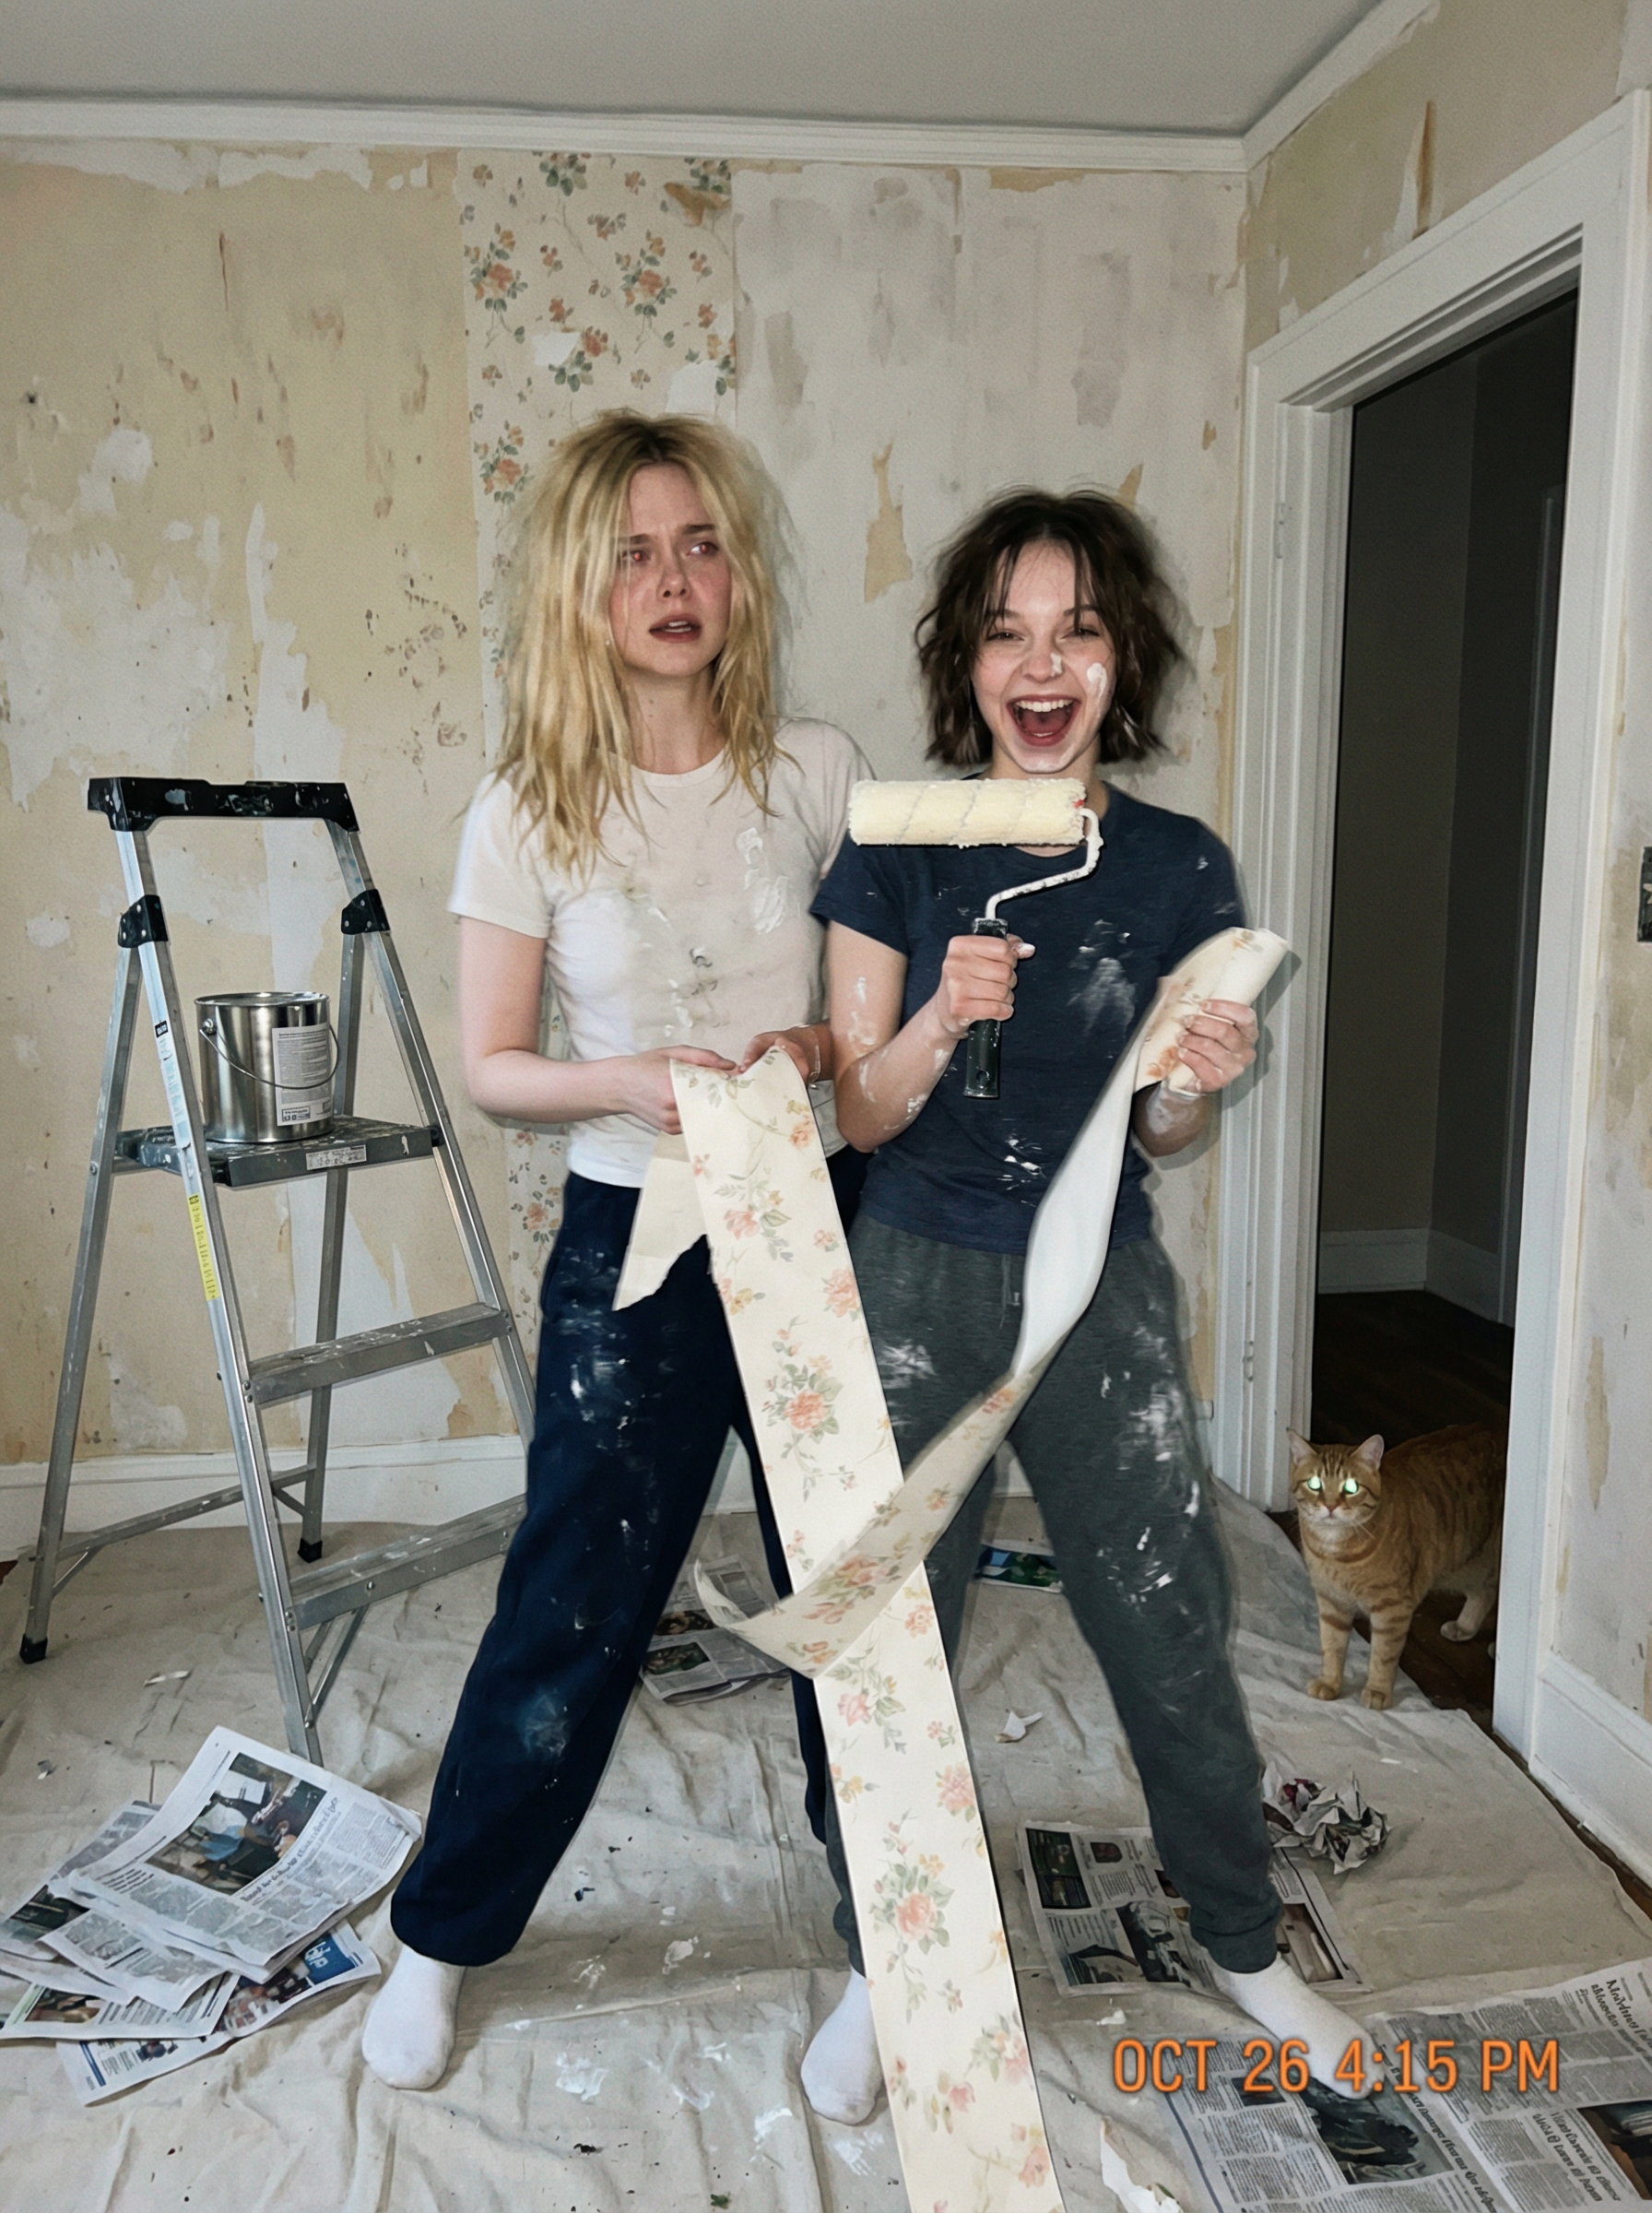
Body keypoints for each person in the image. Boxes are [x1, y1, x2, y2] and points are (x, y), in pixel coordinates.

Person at [808, 488, 1378, 2123]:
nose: (1042, 666)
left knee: (1166, 1610)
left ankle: (1245, 1944)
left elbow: (1163, 1131)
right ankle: (883, 1958)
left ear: (1123, 658)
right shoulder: (898, 842)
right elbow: (860, 1113)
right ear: (965, 662)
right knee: (888, 1634)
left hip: (1095, 1278)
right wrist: (937, 1020)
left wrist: (1198, 1081)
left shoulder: (1181, 866)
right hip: (913, 1270)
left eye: (1078, 629)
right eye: (1007, 632)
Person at [361, 412, 868, 2092]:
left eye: (702, 544)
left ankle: (894, 1949)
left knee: (853, 1593)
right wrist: (633, 1083)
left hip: (805, 1219)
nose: (674, 580)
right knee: (575, 1595)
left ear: (740, 574)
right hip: (628, 1238)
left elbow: (870, 1023)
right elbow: (495, 1064)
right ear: (584, 588)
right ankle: (442, 1936)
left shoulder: (818, 772)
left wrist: (814, 1050)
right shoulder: (526, 810)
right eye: (637, 552)